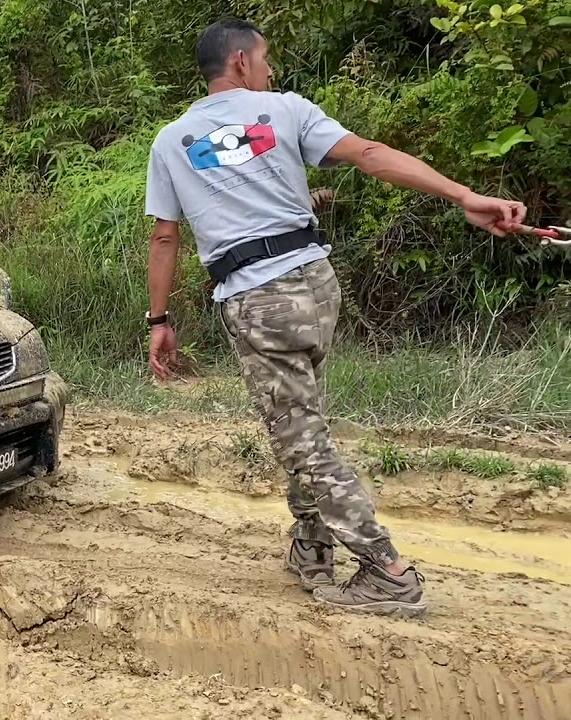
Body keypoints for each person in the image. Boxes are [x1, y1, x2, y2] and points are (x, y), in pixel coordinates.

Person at [143, 18, 527, 617]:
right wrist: (462, 195)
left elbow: (165, 239)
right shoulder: (286, 110)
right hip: (316, 288)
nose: (271, 69)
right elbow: (369, 156)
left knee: (301, 438)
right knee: (303, 421)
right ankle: (312, 545)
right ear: (241, 62)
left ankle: (386, 571)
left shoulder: (172, 140)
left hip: (257, 300)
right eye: (266, 57)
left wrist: (159, 319)